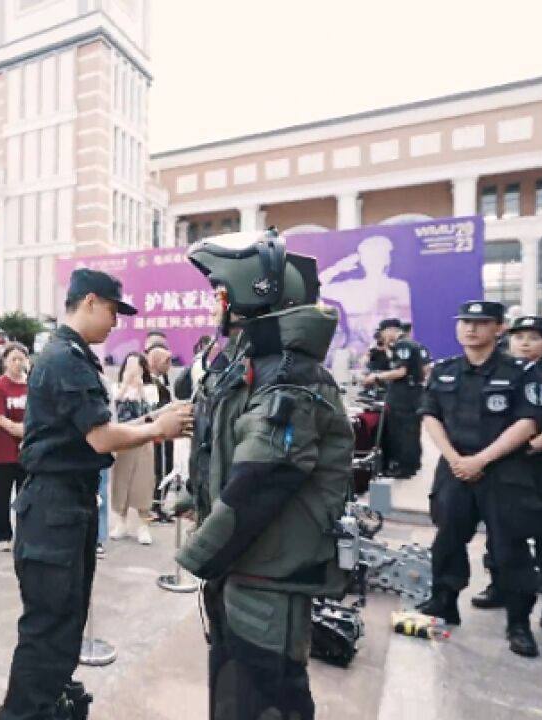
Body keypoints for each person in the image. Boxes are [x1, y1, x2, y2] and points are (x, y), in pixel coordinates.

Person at [176, 230, 355, 720]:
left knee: (269, 698)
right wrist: (193, 496)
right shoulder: (255, 364)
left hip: (269, 571)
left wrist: (198, 553)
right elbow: (225, 449)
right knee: (233, 695)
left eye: (221, 294)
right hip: (241, 563)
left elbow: (263, 475)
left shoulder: (291, 376)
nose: (217, 306)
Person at [0, 269, 192, 720]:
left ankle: (48, 707)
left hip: (68, 505)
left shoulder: (74, 354)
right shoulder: (65, 357)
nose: (114, 322)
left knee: (65, 625)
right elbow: (100, 438)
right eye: (111, 310)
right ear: (88, 302)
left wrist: (152, 419)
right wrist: (156, 429)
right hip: (53, 508)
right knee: (48, 629)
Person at [414, 301, 542, 658]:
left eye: (481, 323)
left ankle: (518, 624)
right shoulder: (444, 371)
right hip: (455, 470)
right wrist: (456, 459)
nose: (471, 329)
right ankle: (444, 603)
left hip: (503, 470)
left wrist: (482, 459)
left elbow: (528, 423)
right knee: (447, 540)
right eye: (465, 322)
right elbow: (430, 416)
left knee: (510, 549)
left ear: (499, 328)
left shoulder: (521, 371)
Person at [469, 315, 542, 632]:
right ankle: (501, 587)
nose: (525, 343)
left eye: (533, 337)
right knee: (500, 534)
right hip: (502, 472)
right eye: (519, 337)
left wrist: (524, 448)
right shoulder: (494, 375)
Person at [319, 234, 413, 359]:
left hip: (392, 353)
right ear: (361, 260)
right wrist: (337, 268)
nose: (374, 260)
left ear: (387, 259)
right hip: (356, 354)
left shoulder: (398, 287)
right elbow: (316, 287)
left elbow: (407, 326)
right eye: (369, 256)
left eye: (379, 255)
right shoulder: (349, 288)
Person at [364, 318, 427, 478]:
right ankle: (411, 464)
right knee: (410, 431)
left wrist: (376, 377)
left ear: (391, 330)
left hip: (404, 394)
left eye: (384, 332)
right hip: (410, 393)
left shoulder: (403, 345)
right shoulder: (405, 345)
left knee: (403, 431)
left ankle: (404, 468)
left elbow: (400, 371)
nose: (383, 336)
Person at [108, 353, 160, 545]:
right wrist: (124, 387)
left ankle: (143, 524)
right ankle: (121, 521)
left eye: (136, 365)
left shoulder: (150, 388)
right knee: (120, 479)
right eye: (128, 365)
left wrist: (139, 388)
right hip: (121, 436)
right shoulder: (116, 388)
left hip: (143, 436)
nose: (132, 369)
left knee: (143, 479)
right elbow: (113, 408)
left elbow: (152, 411)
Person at [0, 343, 29, 553]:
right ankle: (2, 534)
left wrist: (28, 430)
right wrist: (17, 429)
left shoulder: (31, 385)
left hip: (27, 451)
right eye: (13, 359)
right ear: (5, 361)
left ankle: (26, 534)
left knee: (26, 494)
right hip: (4, 450)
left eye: (21, 359)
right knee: (2, 495)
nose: (17, 363)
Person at [144, 344, 176, 523]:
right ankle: (154, 505)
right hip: (157, 431)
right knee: (159, 468)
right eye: (166, 361)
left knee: (167, 467)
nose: (169, 365)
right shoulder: (149, 382)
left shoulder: (164, 380)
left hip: (166, 431)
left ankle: (159, 504)